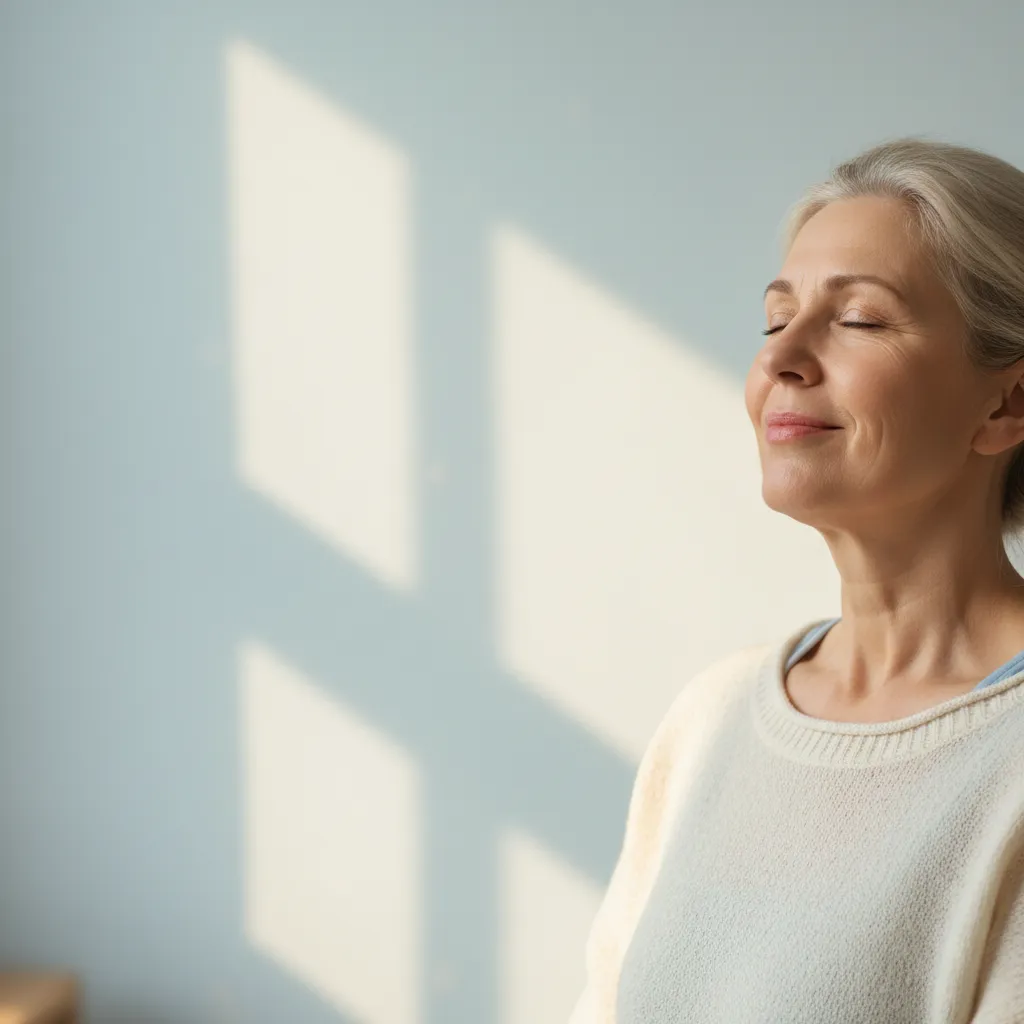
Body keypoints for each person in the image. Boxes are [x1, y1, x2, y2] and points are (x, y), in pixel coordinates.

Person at [568, 137, 1024, 1023]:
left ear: (1008, 403)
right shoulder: (714, 715)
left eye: (859, 319)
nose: (784, 358)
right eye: (776, 320)